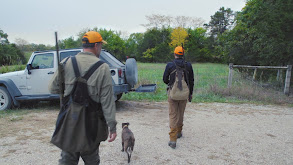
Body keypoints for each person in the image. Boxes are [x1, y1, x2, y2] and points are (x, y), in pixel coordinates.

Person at [49, 31, 117, 164]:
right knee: (92, 160)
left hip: (70, 121)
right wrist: (112, 127)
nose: (101, 49)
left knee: (67, 160)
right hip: (91, 124)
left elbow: (52, 88)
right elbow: (107, 102)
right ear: (96, 45)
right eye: (101, 46)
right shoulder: (103, 68)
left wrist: (67, 90)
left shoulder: (66, 62)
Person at [163, 46, 194, 149]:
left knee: (173, 115)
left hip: (173, 94)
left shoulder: (170, 65)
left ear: (174, 54)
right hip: (184, 94)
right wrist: (190, 93)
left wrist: (171, 84)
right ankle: (179, 132)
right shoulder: (188, 65)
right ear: (183, 54)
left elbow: (164, 79)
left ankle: (172, 139)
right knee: (181, 113)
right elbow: (191, 81)